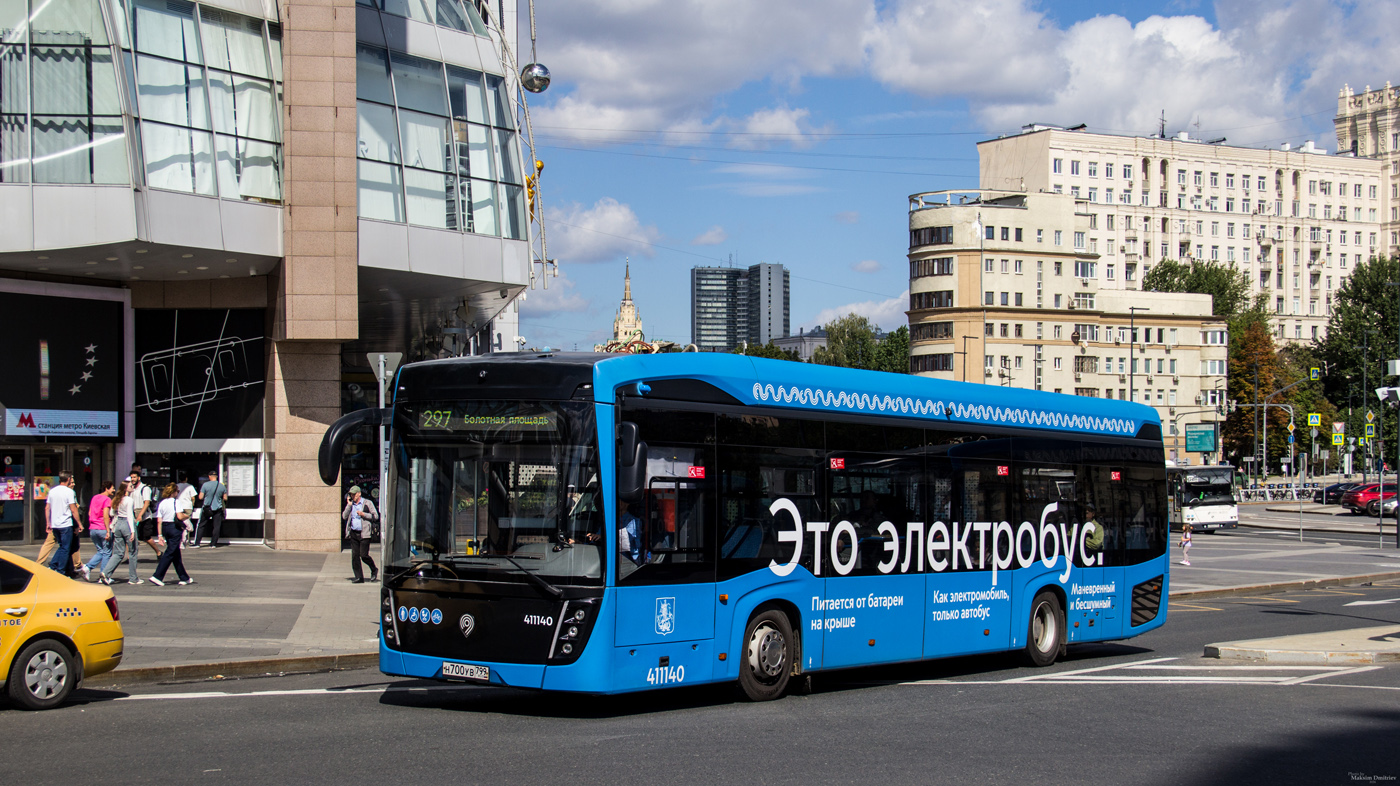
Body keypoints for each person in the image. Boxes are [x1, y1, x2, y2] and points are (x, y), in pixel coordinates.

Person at [149, 484, 194, 586]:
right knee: (170, 552)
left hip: (165, 527)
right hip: (174, 528)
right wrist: (186, 516)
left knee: (175, 553)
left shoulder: (162, 503)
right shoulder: (176, 502)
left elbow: (159, 520)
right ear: (173, 492)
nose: (178, 493)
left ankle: (184, 577)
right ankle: (157, 575)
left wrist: (160, 535)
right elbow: (179, 515)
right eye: (177, 491)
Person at [101, 482, 141, 585]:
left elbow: (111, 513)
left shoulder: (117, 499)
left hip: (118, 524)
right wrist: (132, 531)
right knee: (132, 552)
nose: (132, 487)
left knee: (118, 553)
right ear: (126, 489)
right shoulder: (129, 500)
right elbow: (129, 515)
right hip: (127, 524)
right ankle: (133, 578)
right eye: (130, 486)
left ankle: (105, 573)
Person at [44, 472, 81, 577]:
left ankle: (53, 566)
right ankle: (59, 570)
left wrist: (48, 522)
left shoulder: (52, 491)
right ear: (68, 479)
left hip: (55, 524)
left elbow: (47, 508)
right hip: (65, 524)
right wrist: (79, 523)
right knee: (65, 548)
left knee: (62, 547)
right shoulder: (69, 492)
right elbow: (73, 509)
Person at [341, 486, 378, 583]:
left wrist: (363, 514)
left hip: (364, 533)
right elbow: (344, 516)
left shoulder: (367, 503)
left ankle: (374, 569)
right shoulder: (351, 505)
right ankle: (359, 577)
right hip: (354, 533)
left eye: (353, 494)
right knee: (355, 556)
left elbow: (375, 516)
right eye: (351, 494)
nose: (352, 496)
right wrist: (348, 505)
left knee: (364, 555)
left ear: (359, 494)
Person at [81, 482, 116, 581]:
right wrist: (108, 530)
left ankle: (87, 567)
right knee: (107, 552)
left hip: (93, 528)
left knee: (101, 551)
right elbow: (106, 515)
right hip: (102, 528)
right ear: (106, 488)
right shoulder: (107, 499)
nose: (113, 490)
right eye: (112, 488)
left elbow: (89, 512)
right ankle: (103, 575)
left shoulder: (95, 497)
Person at [128, 467, 163, 559]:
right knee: (131, 536)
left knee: (146, 537)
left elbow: (146, 503)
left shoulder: (145, 488)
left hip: (145, 516)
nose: (132, 479)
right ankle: (129, 557)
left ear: (139, 478)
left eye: (134, 477)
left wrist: (140, 515)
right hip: (134, 514)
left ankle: (158, 552)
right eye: (131, 477)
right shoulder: (132, 489)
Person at [196, 470, 228, 548]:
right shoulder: (221, 486)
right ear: (216, 476)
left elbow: (200, 497)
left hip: (207, 508)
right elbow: (225, 498)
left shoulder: (205, 485)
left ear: (209, 476)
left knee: (201, 525)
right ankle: (213, 544)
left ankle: (197, 543)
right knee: (216, 527)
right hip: (218, 508)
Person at [175, 474, 198, 546]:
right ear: (186, 479)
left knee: (179, 523)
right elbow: (193, 498)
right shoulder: (190, 486)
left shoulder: (176, 486)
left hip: (178, 506)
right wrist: (193, 504)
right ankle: (186, 539)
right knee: (187, 524)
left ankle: (179, 539)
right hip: (188, 506)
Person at [617, 499, 642, 565]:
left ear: (627, 504)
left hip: (629, 560)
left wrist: (604, 536)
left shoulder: (634, 521)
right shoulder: (610, 520)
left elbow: (626, 538)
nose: (618, 502)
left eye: (622, 500)